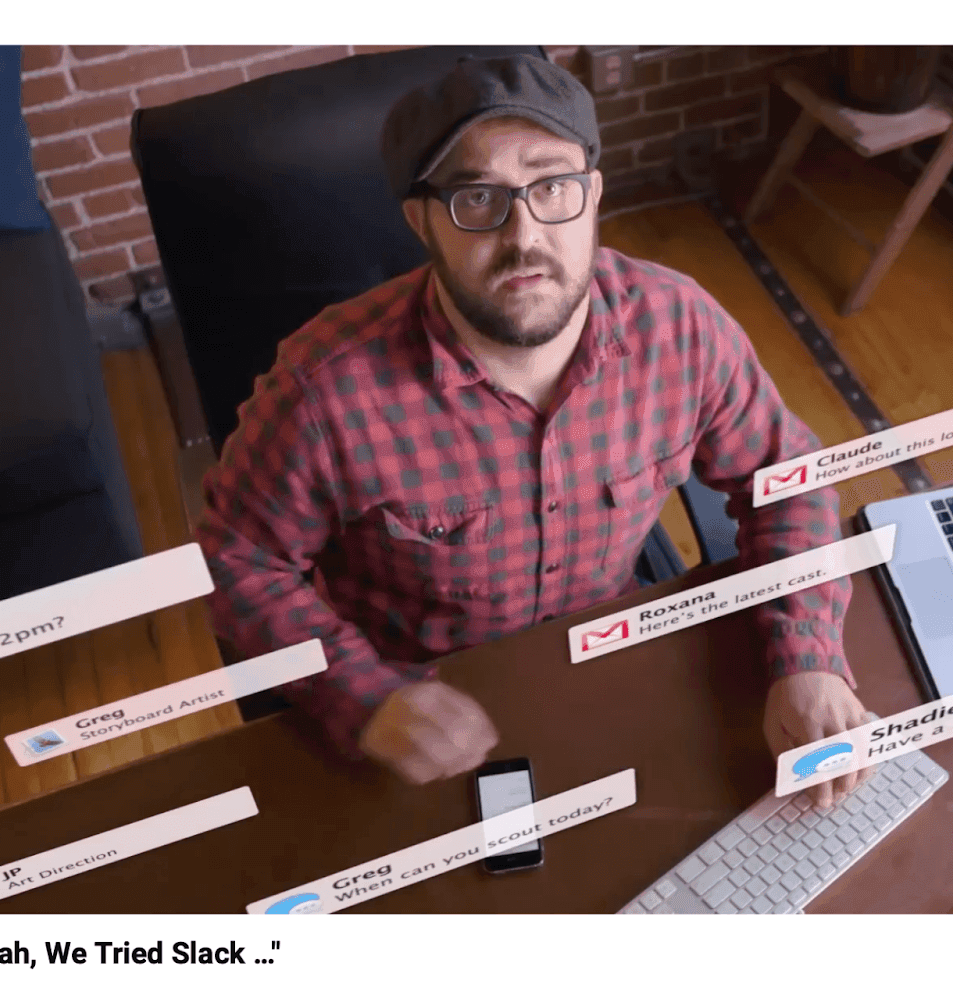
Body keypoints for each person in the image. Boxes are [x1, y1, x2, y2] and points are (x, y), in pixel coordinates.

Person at [196, 53, 870, 808]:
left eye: (552, 185)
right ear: (421, 221)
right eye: (477, 198)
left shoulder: (681, 327)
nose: (525, 235)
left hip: (611, 670)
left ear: (593, 195)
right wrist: (362, 695)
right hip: (422, 719)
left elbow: (788, 479)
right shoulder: (324, 392)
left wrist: (807, 655)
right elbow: (233, 560)